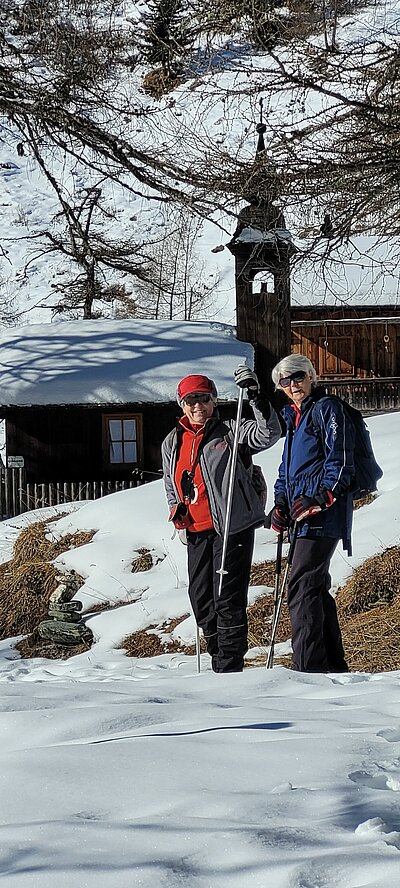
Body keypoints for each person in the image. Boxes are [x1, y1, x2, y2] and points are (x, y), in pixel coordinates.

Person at [162, 366, 281, 673]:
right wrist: (177, 510)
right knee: (201, 599)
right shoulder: (172, 443)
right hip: (196, 530)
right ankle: (219, 654)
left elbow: (269, 433)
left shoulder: (231, 431)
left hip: (231, 527)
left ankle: (229, 666)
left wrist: (255, 395)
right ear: (182, 405)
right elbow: (169, 483)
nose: (198, 406)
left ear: (213, 401)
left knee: (227, 598)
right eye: (191, 401)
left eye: (204, 399)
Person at [269, 354, 356, 673]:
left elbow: (341, 461)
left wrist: (321, 497)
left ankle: (307, 669)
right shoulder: (294, 417)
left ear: (311, 377)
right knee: (315, 588)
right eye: (285, 381)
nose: (293, 385)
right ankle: (333, 665)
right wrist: (281, 503)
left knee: (302, 586)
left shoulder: (327, 409)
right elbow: (287, 471)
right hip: (301, 515)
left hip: (324, 515)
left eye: (298, 377)